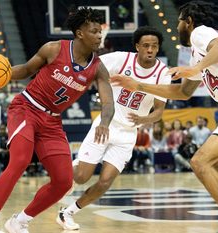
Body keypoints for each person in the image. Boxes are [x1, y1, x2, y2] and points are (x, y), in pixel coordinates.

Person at [110, 1, 218, 232]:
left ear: (188, 21)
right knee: (214, 164)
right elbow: (181, 92)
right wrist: (139, 85)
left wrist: (195, 69)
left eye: (179, 21)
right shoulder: (195, 55)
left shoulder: (201, 34)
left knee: (201, 161)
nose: (178, 25)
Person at [0, 7, 114, 233]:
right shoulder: (54, 48)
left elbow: (108, 103)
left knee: (63, 181)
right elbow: (27, 69)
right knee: (20, 160)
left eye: (101, 31)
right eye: (95, 31)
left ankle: (19, 221)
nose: (100, 35)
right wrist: (2, 74)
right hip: (27, 108)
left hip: (52, 121)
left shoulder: (98, 69)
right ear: (80, 33)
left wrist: (105, 122)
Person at [56, 26, 171, 230]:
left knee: (105, 181)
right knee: (82, 177)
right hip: (106, 124)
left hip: (128, 133)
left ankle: (68, 212)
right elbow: (92, 66)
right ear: (137, 46)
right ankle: (73, 170)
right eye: (146, 45)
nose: (150, 49)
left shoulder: (163, 73)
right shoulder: (121, 59)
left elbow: (159, 111)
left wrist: (144, 119)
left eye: (154, 46)